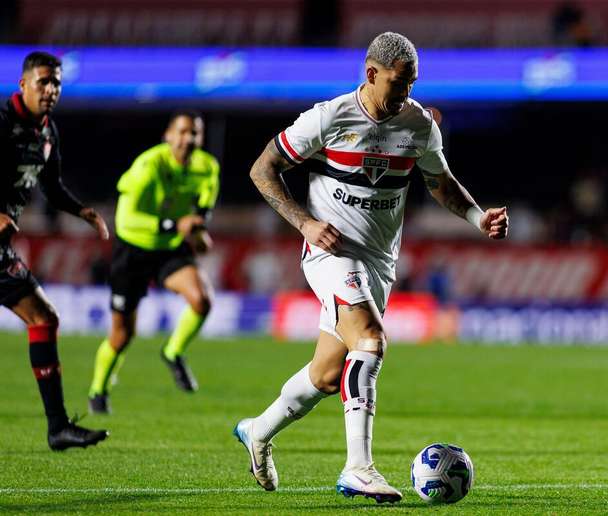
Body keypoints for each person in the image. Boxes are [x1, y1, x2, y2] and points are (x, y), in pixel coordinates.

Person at [233, 32, 508, 503]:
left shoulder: (418, 124)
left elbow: (440, 183)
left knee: (325, 373)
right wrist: (304, 223)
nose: (407, 93)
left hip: (379, 262)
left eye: (413, 84)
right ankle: (358, 468)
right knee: (372, 340)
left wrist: (477, 216)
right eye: (399, 83)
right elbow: (263, 169)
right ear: (371, 74)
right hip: (331, 252)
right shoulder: (329, 117)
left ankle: (258, 430)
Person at [0, 51, 110, 450]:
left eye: (57, 83)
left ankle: (58, 427)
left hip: (0, 251)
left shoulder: (47, 133)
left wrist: (83, 212)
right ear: (23, 85)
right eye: (44, 81)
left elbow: (51, 188)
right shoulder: (3, 122)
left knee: (43, 317)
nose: (51, 90)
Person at [87, 111, 220, 414]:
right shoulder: (148, 166)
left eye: (194, 133)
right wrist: (176, 226)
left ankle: (173, 353)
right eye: (182, 132)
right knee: (122, 336)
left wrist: (198, 231)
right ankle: (99, 391)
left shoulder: (207, 167)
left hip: (168, 251)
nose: (188, 139)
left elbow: (202, 208)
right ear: (168, 136)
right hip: (133, 250)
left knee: (202, 300)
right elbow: (124, 219)